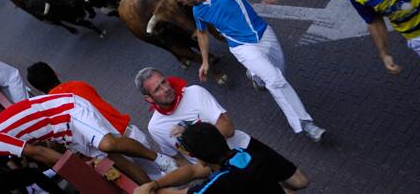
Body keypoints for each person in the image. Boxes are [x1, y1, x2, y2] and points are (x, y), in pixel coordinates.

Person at [168, 0, 326, 141]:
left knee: (278, 71)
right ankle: (305, 123)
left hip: (264, 34)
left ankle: (256, 76)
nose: (183, 5)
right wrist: (205, 62)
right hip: (241, 47)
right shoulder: (198, 11)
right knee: (275, 80)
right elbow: (201, 33)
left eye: (181, 1)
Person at [133, 67, 310, 192]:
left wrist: (194, 138)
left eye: (164, 81)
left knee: (300, 182)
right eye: (158, 89)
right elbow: (181, 159)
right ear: (149, 99)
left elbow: (228, 128)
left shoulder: (194, 93)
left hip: (243, 150)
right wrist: (198, 171)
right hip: (215, 170)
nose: (166, 89)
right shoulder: (155, 127)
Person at [0, 94, 178, 177]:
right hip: (62, 129)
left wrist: (73, 169)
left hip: (67, 112)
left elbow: (37, 151)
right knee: (115, 162)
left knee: (108, 144)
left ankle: (161, 159)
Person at [26, 61, 165, 182]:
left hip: (115, 156)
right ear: (55, 73)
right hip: (131, 135)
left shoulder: (53, 111)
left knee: (152, 184)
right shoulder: (80, 85)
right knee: (164, 172)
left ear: (38, 89)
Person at [134, 122, 309, 193]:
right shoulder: (246, 153)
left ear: (200, 159)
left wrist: (149, 189)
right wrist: (154, 184)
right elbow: (192, 171)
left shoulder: (219, 183)